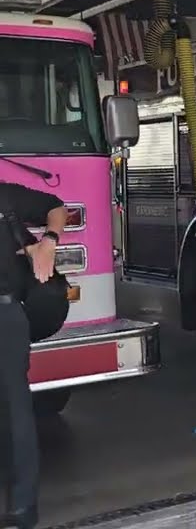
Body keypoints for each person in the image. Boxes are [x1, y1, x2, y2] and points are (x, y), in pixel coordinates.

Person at [0, 181, 66, 529]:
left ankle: (23, 509)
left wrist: (48, 244)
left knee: (15, 411)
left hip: (5, 316)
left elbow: (57, 207)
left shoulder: (5, 196)